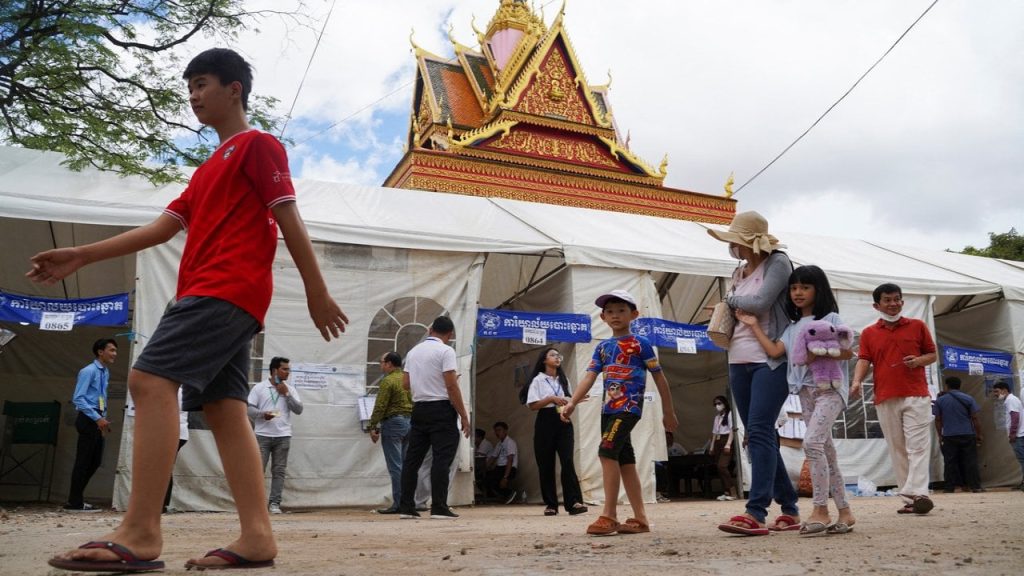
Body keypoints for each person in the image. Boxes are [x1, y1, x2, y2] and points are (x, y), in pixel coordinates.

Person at [33, 47, 348, 572]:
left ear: (234, 89)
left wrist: (316, 289)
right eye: (190, 88)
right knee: (224, 408)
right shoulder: (205, 171)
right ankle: (257, 537)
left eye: (202, 84)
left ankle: (140, 531)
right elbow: (162, 229)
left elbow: (288, 215)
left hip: (225, 289)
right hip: (212, 292)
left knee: (149, 382)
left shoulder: (257, 145)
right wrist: (83, 253)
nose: (194, 97)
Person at [737, 265, 857, 535]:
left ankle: (820, 509)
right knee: (826, 451)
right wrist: (754, 325)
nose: (798, 293)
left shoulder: (832, 318)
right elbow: (774, 350)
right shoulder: (791, 328)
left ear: (818, 289)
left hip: (830, 390)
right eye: (793, 288)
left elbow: (849, 353)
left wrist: (821, 353)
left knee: (811, 443)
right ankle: (846, 512)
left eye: (805, 287)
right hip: (804, 391)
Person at [707, 211, 801, 536]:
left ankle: (756, 510)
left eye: (735, 239)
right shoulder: (739, 270)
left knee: (760, 430)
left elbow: (760, 302)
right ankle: (789, 508)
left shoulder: (778, 262)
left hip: (770, 356)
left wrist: (729, 300)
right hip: (737, 357)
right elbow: (743, 306)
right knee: (759, 435)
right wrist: (735, 303)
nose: (732, 245)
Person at [561, 290, 678, 536]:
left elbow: (660, 378)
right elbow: (589, 377)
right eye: (610, 312)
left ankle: (609, 515)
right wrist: (572, 402)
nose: (615, 315)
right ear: (602, 317)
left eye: (621, 310)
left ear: (634, 314)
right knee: (625, 460)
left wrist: (668, 412)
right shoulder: (603, 347)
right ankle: (640, 518)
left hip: (628, 408)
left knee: (606, 451)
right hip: (608, 410)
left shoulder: (641, 344)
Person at [853, 283, 937, 516]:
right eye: (887, 300)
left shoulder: (918, 326)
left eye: (897, 299)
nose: (893, 304)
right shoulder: (869, 333)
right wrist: (856, 381)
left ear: (902, 301)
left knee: (918, 447)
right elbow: (863, 359)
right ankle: (909, 499)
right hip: (885, 396)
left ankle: (920, 493)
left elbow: (932, 354)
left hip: (917, 394)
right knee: (897, 448)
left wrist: (919, 361)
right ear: (876, 305)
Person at [398, 316, 471, 520]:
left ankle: (406, 506)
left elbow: (405, 383)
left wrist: (425, 382)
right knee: (442, 459)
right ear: (449, 334)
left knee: (413, 460)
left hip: (419, 408)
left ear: (430, 330)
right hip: (441, 408)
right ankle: (439, 506)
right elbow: (450, 386)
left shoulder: (413, 352)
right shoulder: (446, 351)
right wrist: (463, 415)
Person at [523, 347, 587, 516]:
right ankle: (551, 504)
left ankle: (574, 502)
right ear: (544, 360)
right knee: (546, 463)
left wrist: (569, 408)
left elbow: (569, 401)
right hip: (545, 420)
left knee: (567, 460)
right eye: (553, 355)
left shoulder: (563, 380)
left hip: (563, 420)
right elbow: (532, 405)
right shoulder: (538, 380)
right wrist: (551, 398)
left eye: (559, 355)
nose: (557, 358)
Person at [64, 338, 118, 512]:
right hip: (88, 419)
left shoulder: (105, 372)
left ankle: (76, 499)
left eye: (115, 350)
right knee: (83, 461)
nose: (114, 354)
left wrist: (103, 419)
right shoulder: (88, 371)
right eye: (111, 350)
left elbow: (100, 397)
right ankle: (74, 502)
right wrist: (96, 418)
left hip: (97, 419)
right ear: (100, 352)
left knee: (95, 461)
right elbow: (78, 398)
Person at [247, 356, 303, 514]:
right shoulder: (259, 388)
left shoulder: (290, 389)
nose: (288, 372)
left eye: (288, 369)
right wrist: (262, 414)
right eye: (284, 369)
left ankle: (274, 504)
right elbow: (249, 410)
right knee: (258, 470)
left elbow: (299, 410)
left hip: (283, 436)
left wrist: (286, 394)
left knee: (279, 471)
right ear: (274, 370)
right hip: (262, 435)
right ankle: (255, 505)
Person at [367, 351, 413, 514]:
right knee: (406, 466)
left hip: (393, 423)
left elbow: (380, 406)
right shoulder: (408, 378)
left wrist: (373, 426)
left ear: (389, 364)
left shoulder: (388, 381)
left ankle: (399, 503)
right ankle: (408, 501)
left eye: (382, 362)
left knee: (395, 467)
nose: (380, 365)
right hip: (409, 422)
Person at [933, 376, 983, 493]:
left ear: (947, 386)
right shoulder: (968, 398)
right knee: (970, 460)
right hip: (967, 433)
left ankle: (950, 487)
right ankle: (975, 486)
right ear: (959, 386)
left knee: (950, 462)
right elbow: (975, 418)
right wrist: (979, 434)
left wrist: (940, 435)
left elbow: (938, 420)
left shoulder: (940, 400)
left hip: (949, 435)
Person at [992, 381, 1024, 490]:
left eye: (997, 391)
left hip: (1019, 435)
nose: (995, 394)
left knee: (1022, 459)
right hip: (1019, 434)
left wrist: (1012, 434)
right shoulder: (1011, 400)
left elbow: (1015, 417)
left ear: (1004, 390)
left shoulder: (1011, 400)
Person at [163, 388, 190, 513]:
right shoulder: (180, 391)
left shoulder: (176, 391)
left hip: (175, 433)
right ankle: (162, 503)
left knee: (164, 469)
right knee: (165, 468)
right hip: (179, 433)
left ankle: (161, 504)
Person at [708, 395, 738, 502]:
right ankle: (726, 492)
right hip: (718, 442)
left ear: (725, 404)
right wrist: (711, 447)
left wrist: (728, 444)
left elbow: (732, 430)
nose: (717, 406)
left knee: (722, 466)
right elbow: (714, 433)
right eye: (715, 404)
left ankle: (732, 491)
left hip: (726, 440)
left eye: (719, 403)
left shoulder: (729, 415)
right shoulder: (717, 417)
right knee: (718, 467)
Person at [485, 421, 520, 504]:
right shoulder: (499, 444)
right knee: (486, 479)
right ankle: (499, 497)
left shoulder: (510, 442)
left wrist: (505, 477)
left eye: (499, 430)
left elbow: (510, 460)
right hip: (500, 467)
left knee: (492, 480)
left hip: (508, 468)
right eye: (496, 431)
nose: (497, 433)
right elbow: (493, 457)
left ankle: (509, 493)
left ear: (505, 431)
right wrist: (485, 467)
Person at [474, 428, 493, 498]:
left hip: (486, 468)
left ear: (480, 437)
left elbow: (479, 456)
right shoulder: (476, 445)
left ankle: (482, 495)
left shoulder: (486, 444)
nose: (473, 438)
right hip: (480, 467)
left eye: (474, 436)